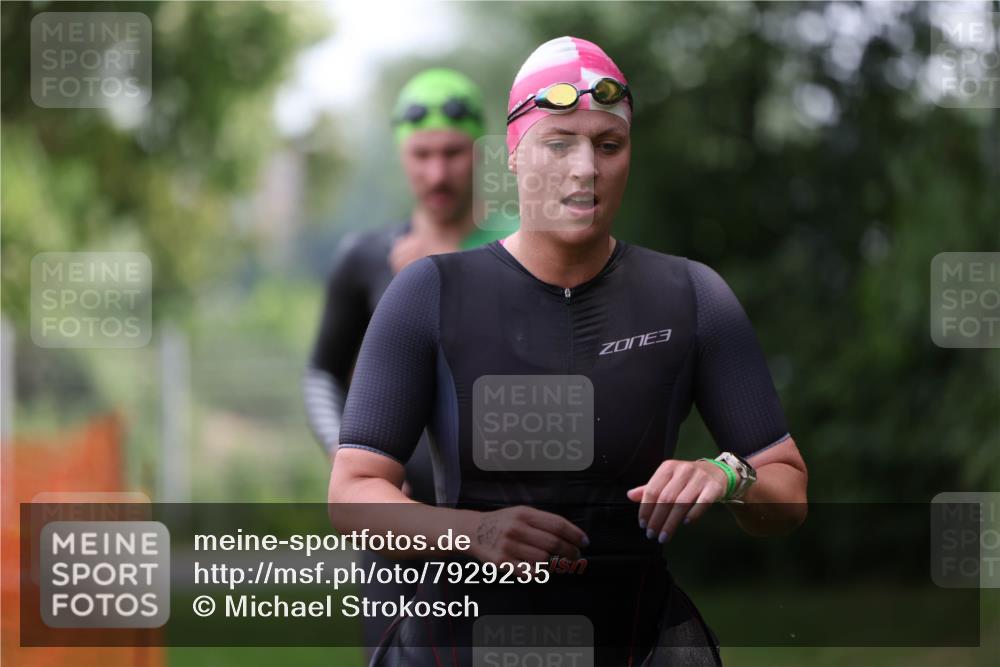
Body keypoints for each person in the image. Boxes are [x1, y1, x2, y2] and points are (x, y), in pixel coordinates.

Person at [328, 36, 808, 666]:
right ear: (516, 155)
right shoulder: (430, 292)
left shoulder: (690, 295)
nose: (585, 168)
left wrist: (727, 476)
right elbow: (353, 495)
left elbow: (788, 493)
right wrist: (476, 533)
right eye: (560, 143)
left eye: (608, 145)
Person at [302, 68, 506, 662]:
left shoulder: (523, 252)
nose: (437, 173)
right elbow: (320, 373)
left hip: (505, 515)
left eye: (453, 153)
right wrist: (351, 461)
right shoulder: (363, 259)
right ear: (401, 153)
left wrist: (446, 278)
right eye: (422, 155)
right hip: (397, 528)